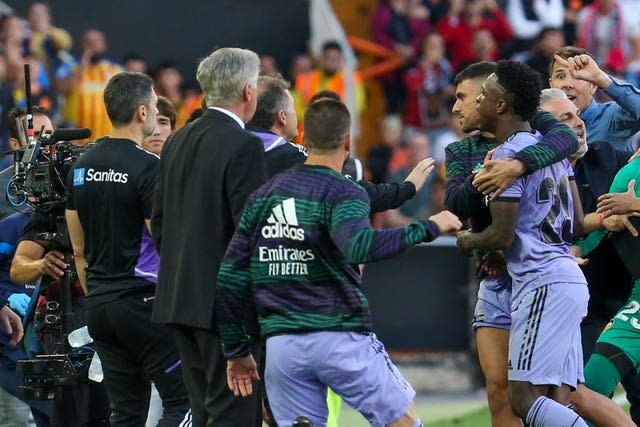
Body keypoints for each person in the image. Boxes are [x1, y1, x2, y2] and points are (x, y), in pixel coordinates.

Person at [215, 98, 462, 427]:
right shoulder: (343, 192)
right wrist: (429, 226)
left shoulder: (264, 195)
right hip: (338, 335)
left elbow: (229, 277)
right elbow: (359, 246)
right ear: (347, 141)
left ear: (302, 138)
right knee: (403, 422)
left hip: (282, 346)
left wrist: (235, 351)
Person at [445, 61, 578, 427]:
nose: (456, 108)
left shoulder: (536, 129)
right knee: (500, 389)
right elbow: (455, 202)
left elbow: (566, 140)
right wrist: (483, 177)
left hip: (536, 272)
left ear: (495, 101)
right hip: (501, 280)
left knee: (546, 393)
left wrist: (515, 165)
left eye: (464, 97)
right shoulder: (461, 152)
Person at [65, 71, 190, 426]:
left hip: (100, 307)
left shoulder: (81, 166)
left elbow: (78, 250)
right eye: (153, 104)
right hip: (142, 305)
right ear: (141, 112)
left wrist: (99, 296)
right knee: (187, 403)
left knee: (126, 414)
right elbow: (165, 240)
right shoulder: (149, 167)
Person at [151, 47, 266, 427]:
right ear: (248, 92)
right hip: (224, 314)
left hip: (178, 303)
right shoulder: (245, 145)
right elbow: (250, 238)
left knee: (201, 414)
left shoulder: (177, 141)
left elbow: (160, 226)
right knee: (233, 415)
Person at [549, 46, 640, 152]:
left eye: (578, 77)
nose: (567, 84)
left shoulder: (613, 117)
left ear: (593, 86)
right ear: (551, 84)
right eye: (560, 77)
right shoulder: (542, 123)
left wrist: (600, 78)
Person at [57, 29, 123, 143]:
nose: (93, 45)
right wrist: (81, 68)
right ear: (83, 44)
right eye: (89, 42)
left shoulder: (115, 69)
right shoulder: (70, 66)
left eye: (97, 41)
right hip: (76, 139)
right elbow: (60, 88)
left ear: (104, 44)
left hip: (107, 138)